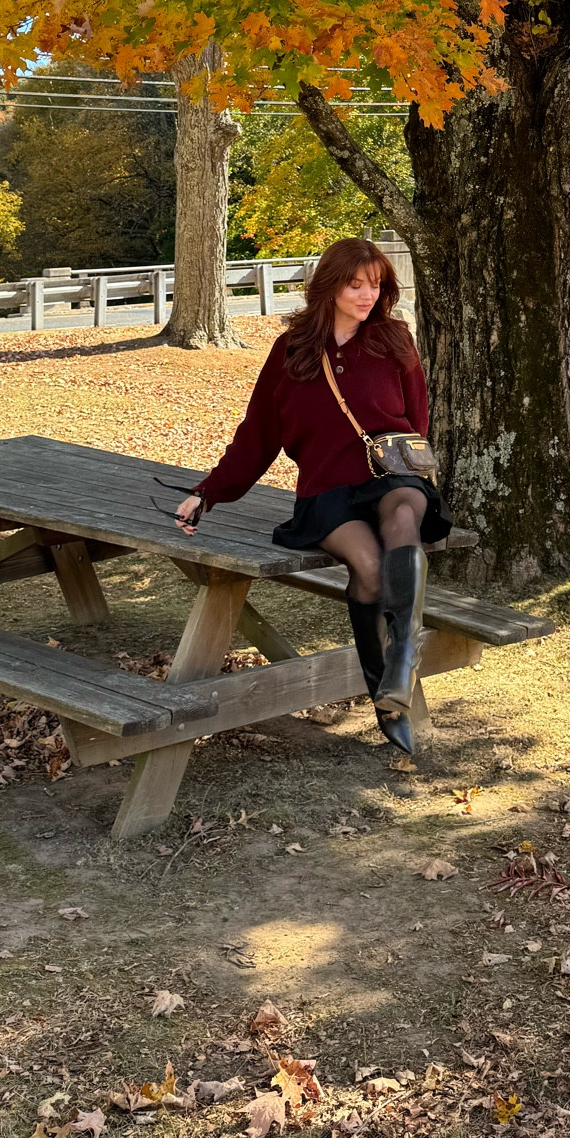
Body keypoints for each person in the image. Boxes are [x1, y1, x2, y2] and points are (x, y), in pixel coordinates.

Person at [176, 237, 447, 755]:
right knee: (368, 568)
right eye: (355, 284)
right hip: (328, 491)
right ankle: (386, 701)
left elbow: (417, 421)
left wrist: (407, 470)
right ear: (330, 285)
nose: (367, 295)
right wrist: (208, 493)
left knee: (403, 516)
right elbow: (258, 434)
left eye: (376, 285)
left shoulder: (394, 339)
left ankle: (402, 662)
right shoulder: (292, 350)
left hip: (392, 478)